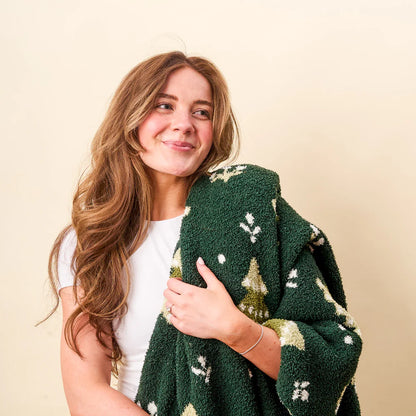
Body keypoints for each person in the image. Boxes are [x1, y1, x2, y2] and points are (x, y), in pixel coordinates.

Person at [48, 51, 362, 416]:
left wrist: (237, 330)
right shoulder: (90, 242)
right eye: (164, 106)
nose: (184, 124)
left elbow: (332, 359)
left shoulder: (252, 213)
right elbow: (85, 392)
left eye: (202, 112)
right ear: (130, 118)